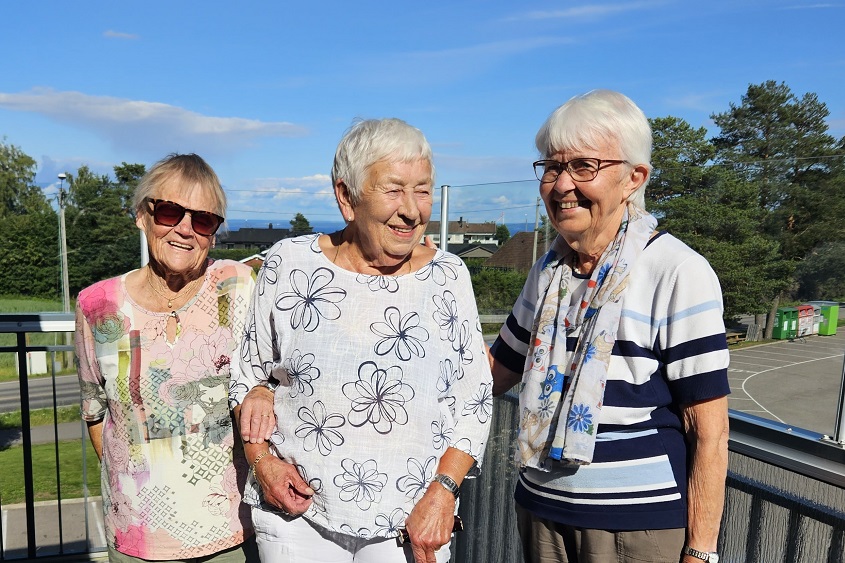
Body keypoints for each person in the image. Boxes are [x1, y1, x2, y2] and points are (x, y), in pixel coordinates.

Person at [229, 118, 493, 563]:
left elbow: (475, 399)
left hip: (412, 521)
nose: (412, 210)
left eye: (423, 190)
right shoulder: (288, 264)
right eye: (394, 190)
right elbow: (247, 373)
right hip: (297, 515)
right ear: (346, 197)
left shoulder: (449, 276)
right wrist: (263, 464)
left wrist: (444, 492)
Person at [489, 90, 730, 563]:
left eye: (583, 166)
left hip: (634, 526)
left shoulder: (676, 270)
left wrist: (700, 551)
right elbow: (497, 369)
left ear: (633, 178)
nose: (561, 185)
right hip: (541, 510)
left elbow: (709, 430)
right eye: (552, 167)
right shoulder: (549, 271)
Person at [74, 154, 258, 562]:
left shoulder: (238, 288)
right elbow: (95, 412)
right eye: (170, 212)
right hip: (137, 537)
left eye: (204, 219)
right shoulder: (98, 305)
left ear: (214, 233)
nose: (185, 230)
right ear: (142, 215)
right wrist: (138, 486)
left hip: (230, 530)